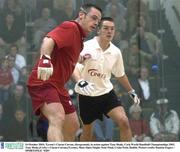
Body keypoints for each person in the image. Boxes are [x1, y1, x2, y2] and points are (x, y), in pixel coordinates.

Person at [27, 3, 102, 142]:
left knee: (72, 125)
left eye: (98, 21)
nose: (96, 23)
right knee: (57, 117)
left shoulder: (79, 40)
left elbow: (69, 63)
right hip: (44, 81)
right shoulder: (71, 27)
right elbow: (48, 40)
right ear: (81, 15)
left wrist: (80, 65)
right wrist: (45, 59)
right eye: (93, 18)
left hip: (58, 87)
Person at [73, 17, 140, 141]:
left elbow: (120, 74)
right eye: (106, 28)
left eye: (112, 29)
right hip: (86, 96)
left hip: (106, 94)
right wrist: (80, 81)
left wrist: (131, 91)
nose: (109, 31)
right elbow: (74, 67)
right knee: (87, 133)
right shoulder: (86, 47)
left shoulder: (116, 52)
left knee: (124, 121)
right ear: (98, 30)